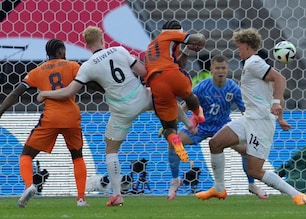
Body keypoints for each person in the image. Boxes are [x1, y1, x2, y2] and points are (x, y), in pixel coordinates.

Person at [37, 26, 195, 207]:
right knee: (163, 95)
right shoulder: (119, 50)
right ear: (102, 38)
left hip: (122, 110)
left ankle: (117, 195)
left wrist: (45, 94)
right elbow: (144, 72)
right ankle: (190, 124)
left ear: (87, 44)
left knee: (111, 149)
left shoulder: (88, 66)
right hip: (142, 97)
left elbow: (68, 92)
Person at [195, 28, 306, 205]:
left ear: (247, 46)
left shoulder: (253, 62)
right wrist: (280, 117)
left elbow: (280, 79)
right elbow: (272, 88)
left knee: (255, 171)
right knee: (215, 143)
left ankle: (296, 194)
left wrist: (277, 104)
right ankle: (219, 188)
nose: (238, 51)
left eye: (239, 47)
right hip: (249, 118)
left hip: (260, 124)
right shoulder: (253, 63)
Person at [166, 54, 268, 200]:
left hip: (223, 127)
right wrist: (172, 123)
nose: (221, 71)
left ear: (227, 70)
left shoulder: (233, 88)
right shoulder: (202, 87)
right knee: (173, 142)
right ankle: (175, 181)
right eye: (217, 68)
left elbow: (245, 110)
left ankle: (252, 185)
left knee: (246, 150)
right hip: (201, 125)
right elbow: (187, 105)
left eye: (224, 68)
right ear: (211, 69)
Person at [0, 39, 88, 207]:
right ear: (61, 51)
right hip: (71, 117)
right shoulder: (73, 66)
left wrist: (1, 110)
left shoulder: (36, 72)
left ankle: (29, 186)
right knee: (77, 156)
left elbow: (16, 93)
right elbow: (91, 83)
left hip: (50, 118)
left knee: (26, 154)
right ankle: (81, 199)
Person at [144, 20, 206, 164]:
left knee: (169, 126)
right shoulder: (171, 35)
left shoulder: (152, 45)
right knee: (189, 94)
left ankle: (175, 140)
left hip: (156, 84)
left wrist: (186, 49)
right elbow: (198, 39)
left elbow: (180, 63)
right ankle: (198, 116)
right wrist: (199, 43)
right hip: (172, 75)